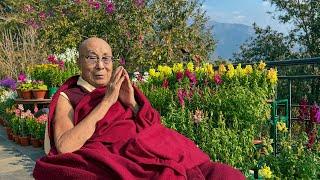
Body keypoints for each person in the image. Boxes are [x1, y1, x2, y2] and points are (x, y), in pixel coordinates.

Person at [33, 37, 245, 180]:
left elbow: (154, 127)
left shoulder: (120, 87)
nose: (100, 66)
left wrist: (132, 103)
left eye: (106, 58)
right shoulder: (69, 96)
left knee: (225, 174)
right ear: (80, 62)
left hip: (152, 149)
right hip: (123, 159)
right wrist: (107, 102)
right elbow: (66, 146)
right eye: (92, 58)